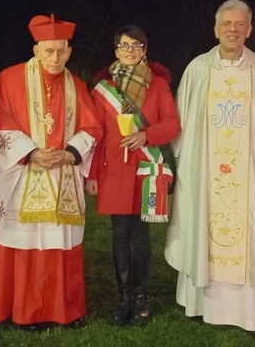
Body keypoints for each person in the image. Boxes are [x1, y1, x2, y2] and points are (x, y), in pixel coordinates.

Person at [163, 0, 255, 331]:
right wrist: (185, 168)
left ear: (249, 29)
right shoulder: (198, 68)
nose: (233, 30)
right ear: (216, 29)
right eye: (227, 24)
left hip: (249, 174)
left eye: (240, 24)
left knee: (249, 233)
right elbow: (182, 122)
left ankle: (245, 313)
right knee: (202, 227)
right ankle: (201, 306)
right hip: (205, 172)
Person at [0, 14, 103, 329]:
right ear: (36, 50)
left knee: (60, 242)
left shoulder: (76, 85)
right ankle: (24, 310)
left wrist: (70, 153)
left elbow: (92, 126)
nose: (55, 58)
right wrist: (32, 153)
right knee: (24, 242)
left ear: (69, 50)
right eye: (48, 51)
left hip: (63, 172)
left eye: (61, 51)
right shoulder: (7, 79)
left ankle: (65, 310)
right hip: (22, 173)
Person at [85, 25, 180, 326]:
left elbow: (172, 124)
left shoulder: (158, 85)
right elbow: (95, 133)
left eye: (136, 45)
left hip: (145, 169)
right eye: (124, 46)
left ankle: (142, 297)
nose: (130, 50)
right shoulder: (102, 90)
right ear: (115, 51)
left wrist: (145, 135)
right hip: (113, 170)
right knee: (120, 236)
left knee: (140, 236)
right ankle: (123, 297)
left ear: (144, 50)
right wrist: (92, 174)